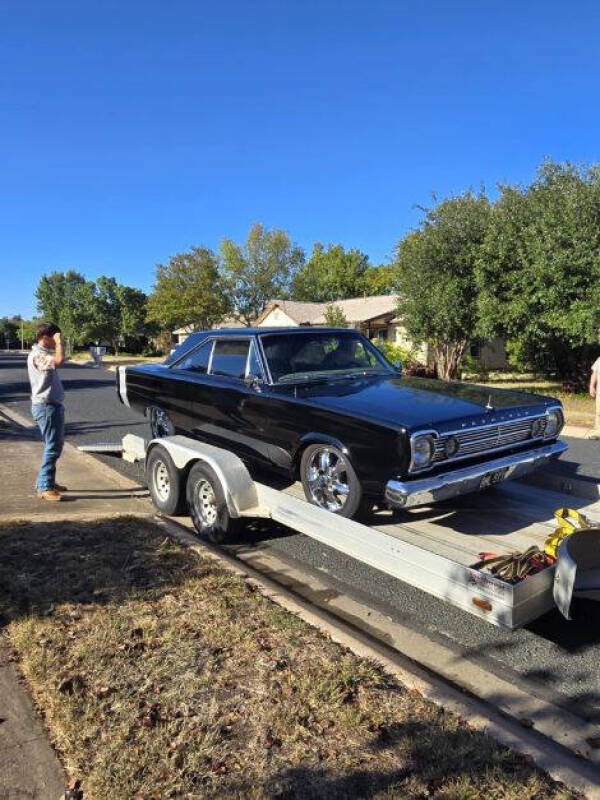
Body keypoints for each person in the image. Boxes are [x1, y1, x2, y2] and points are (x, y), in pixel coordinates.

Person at [27, 322, 66, 501]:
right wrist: (59, 343)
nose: (57, 340)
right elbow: (59, 361)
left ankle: (46, 480)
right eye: (55, 337)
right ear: (45, 337)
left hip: (50, 405)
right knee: (53, 447)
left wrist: (58, 343)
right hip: (46, 406)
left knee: (54, 445)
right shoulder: (37, 355)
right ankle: (45, 486)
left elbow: (56, 361)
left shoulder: (41, 354)